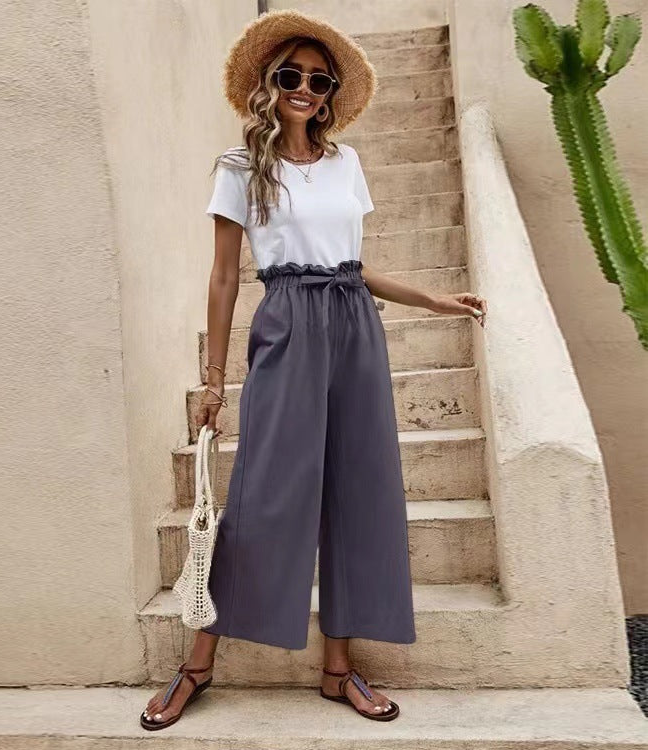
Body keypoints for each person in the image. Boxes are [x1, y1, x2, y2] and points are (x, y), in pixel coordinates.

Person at [140, 9, 487, 731]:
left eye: (319, 80)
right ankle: (198, 665)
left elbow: (354, 265)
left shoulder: (345, 164)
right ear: (268, 83)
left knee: (358, 493)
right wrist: (213, 380)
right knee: (263, 496)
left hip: (354, 325)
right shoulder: (240, 168)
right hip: (287, 323)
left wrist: (431, 299)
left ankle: (338, 669)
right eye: (290, 75)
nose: (304, 87)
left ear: (330, 95)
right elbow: (225, 278)